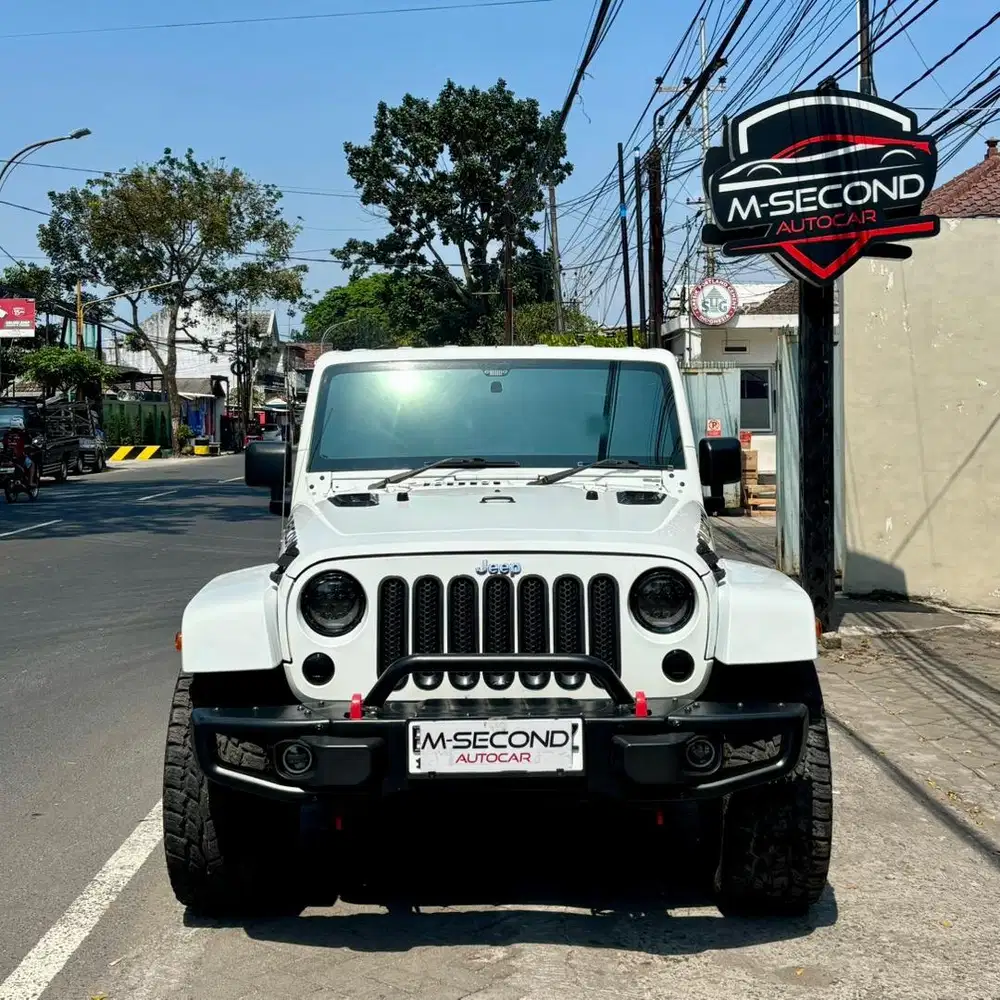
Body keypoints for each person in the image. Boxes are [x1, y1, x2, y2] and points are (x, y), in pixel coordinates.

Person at [2, 424, 39, 489]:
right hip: (20, 457)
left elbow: (4, 445)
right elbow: (29, 441)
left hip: (7, 458)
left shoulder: (6, 435)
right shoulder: (22, 435)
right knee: (31, 464)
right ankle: (30, 482)